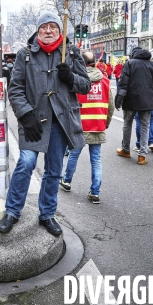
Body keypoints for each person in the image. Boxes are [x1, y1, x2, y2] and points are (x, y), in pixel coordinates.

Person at [0, 11, 90, 236]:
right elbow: (16, 88)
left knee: (54, 170)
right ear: (37, 31)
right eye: (43, 27)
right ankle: (12, 211)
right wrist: (26, 115)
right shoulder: (25, 54)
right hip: (33, 122)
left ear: (60, 30)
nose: (48, 31)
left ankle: (47, 214)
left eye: (53, 27)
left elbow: (85, 85)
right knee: (26, 163)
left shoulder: (71, 53)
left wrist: (71, 78)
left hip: (60, 121)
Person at [60, 51, 113, 204]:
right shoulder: (105, 81)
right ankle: (95, 192)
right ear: (95, 63)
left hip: (79, 125)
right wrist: (106, 123)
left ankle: (67, 181)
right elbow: (111, 105)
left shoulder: (76, 80)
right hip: (97, 125)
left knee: (73, 155)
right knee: (96, 160)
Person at [115, 47, 153, 165]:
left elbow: (123, 83)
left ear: (133, 54)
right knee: (145, 125)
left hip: (131, 98)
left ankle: (126, 150)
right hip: (147, 99)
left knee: (127, 124)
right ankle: (142, 155)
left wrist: (119, 99)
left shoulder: (130, 63)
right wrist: (149, 89)